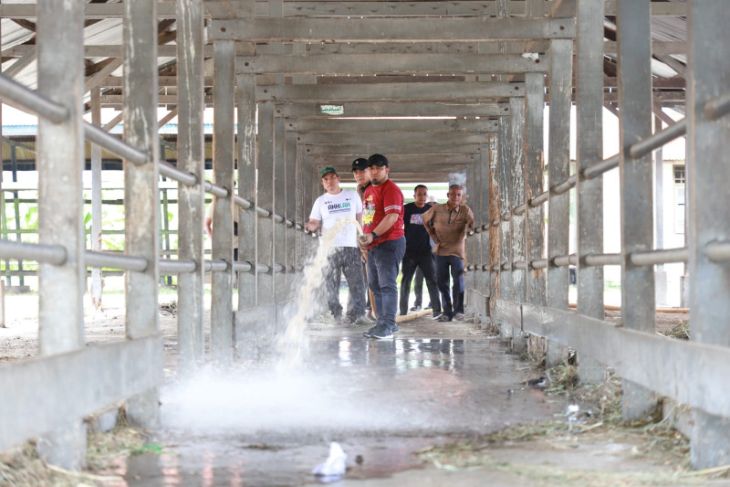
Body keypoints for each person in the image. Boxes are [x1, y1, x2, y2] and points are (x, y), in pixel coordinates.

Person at [306, 166, 369, 325]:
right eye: (326, 179)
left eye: (332, 177)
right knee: (330, 285)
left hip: (350, 246)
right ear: (323, 183)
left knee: (356, 283)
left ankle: (358, 315)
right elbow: (315, 221)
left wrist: (361, 240)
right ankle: (336, 315)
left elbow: (360, 219)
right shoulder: (321, 201)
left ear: (338, 178)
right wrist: (311, 226)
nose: (329, 181)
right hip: (329, 248)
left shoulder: (352, 195)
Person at [359, 154, 405, 339]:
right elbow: (368, 217)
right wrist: (365, 241)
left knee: (387, 285)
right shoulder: (369, 190)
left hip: (389, 243)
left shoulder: (391, 189)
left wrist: (373, 235)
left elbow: (391, 217)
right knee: (375, 285)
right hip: (373, 245)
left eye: (379, 168)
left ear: (387, 170)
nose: (375, 171)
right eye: (371, 168)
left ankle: (389, 325)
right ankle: (381, 324)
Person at [422, 184, 474, 322]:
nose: (455, 197)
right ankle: (447, 312)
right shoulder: (437, 209)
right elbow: (425, 220)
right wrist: (432, 234)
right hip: (441, 251)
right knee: (442, 282)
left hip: (458, 251)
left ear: (461, 196)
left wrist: (468, 232)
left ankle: (458, 311)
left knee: (458, 281)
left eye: (458, 195)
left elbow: (473, 225)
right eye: (453, 194)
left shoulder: (465, 210)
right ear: (448, 195)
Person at [399, 185, 441, 318]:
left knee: (432, 280)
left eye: (424, 194)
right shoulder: (407, 209)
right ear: (414, 196)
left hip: (426, 252)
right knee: (406, 281)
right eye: (419, 194)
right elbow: (397, 225)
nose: (422, 197)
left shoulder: (431, 209)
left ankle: (437, 311)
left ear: (427, 196)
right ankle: (403, 311)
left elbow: (437, 229)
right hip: (409, 252)